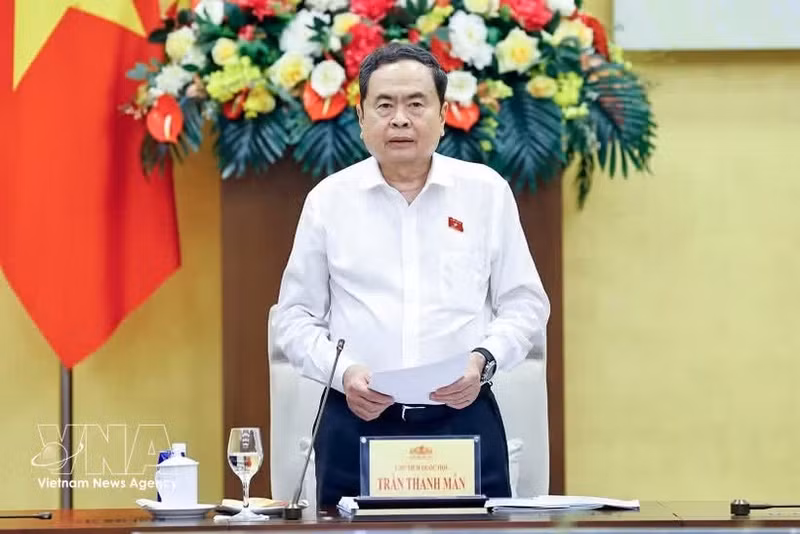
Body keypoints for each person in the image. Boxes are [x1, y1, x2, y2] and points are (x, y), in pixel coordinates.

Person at [272, 42, 550, 506]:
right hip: (356, 416)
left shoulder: (486, 193)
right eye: (384, 105)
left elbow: (526, 303)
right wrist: (343, 374)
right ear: (361, 117)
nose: (400, 119)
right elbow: (294, 317)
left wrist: (482, 360)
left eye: (416, 104)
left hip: (461, 415)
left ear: (443, 116)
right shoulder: (329, 201)